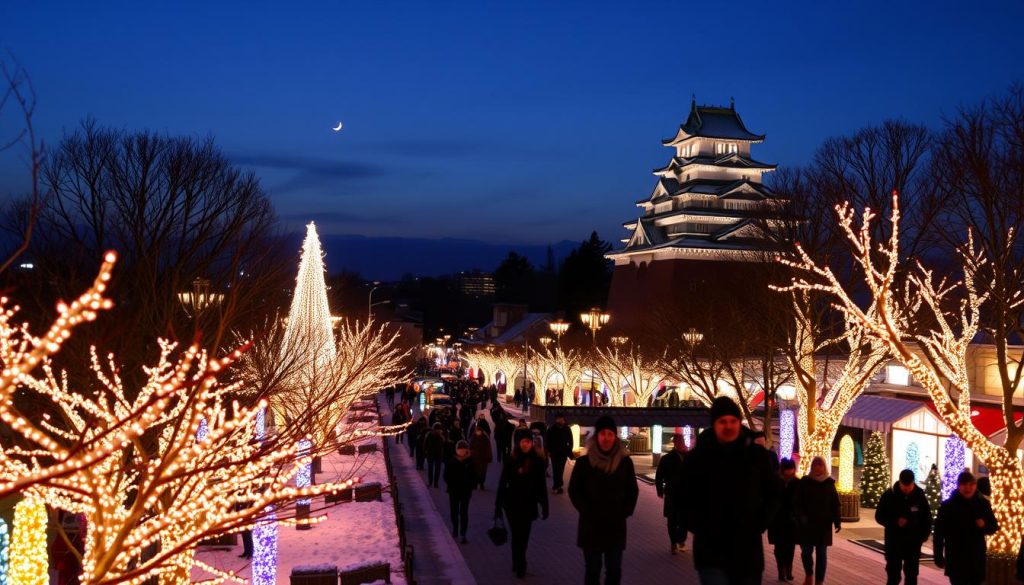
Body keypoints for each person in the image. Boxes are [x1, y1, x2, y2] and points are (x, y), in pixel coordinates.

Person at [682, 396, 780, 585]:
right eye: (722, 422)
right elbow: (682, 495)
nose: (728, 426)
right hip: (711, 551)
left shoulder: (755, 455)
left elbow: (774, 493)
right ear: (714, 424)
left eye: (733, 421)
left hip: (747, 551)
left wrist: (760, 523)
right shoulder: (698, 457)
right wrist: (698, 525)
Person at [568, 415, 639, 585]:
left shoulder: (624, 462)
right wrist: (586, 509)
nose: (606, 438)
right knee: (593, 570)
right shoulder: (584, 463)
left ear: (615, 437)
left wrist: (625, 511)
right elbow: (574, 490)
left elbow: (632, 490)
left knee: (614, 571)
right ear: (596, 436)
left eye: (610, 434)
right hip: (591, 526)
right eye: (602, 434)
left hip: (615, 526)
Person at [495, 433, 549, 579]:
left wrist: (545, 505)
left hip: (529, 505)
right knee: (516, 534)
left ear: (532, 443)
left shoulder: (538, 461)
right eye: (523, 442)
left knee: (523, 536)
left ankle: (519, 559)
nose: (526, 445)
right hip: (512, 505)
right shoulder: (511, 460)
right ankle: (520, 562)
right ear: (518, 443)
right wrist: (498, 507)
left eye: (528, 442)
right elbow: (502, 483)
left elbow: (541, 486)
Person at [933, 471, 998, 585]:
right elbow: (939, 532)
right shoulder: (948, 506)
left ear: (975, 485)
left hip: (976, 557)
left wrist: (984, 525)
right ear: (959, 485)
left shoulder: (983, 504)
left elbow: (993, 527)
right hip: (956, 557)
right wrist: (938, 555)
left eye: (971, 484)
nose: (968, 488)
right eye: (964, 484)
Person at [875, 469, 932, 585]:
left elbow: (927, 518)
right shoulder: (889, 495)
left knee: (911, 575)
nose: (906, 489)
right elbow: (879, 516)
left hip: (913, 543)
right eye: (904, 485)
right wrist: (894, 522)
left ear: (913, 483)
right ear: (899, 482)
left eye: (909, 486)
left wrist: (923, 536)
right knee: (893, 575)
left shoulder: (919, 496)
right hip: (894, 541)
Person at [793, 456, 840, 585]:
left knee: (821, 554)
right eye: (815, 465)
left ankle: (819, 581)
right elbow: (797, 502)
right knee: (806, 552)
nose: (818, 467)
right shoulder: (805, 482)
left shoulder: (829, 483)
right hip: (807, 524)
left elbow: (835, 504)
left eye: (821, 465)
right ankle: (809, 574)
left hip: (823, 525)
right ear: (812, 466)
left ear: (824, 467)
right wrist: (801, 516)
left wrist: (837, 521)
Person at [655, 432, 689, 554]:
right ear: (674, 443)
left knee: (684, 519)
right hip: (672, 493)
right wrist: (659, 489)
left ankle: (681, 540)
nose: (681, 444)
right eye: (678, 442)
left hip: (686, 494)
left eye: (682, 441)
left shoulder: (689, 458)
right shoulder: (667, 459)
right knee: (672, 520)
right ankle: (674, 543)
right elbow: (659, 475)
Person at [768, 458, 799, 582]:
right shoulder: (776, 481)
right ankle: (781, 570)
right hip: (777, 520)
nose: (789, 471)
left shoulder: (797, 482)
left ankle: (789, 570)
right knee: (779, 547)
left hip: (791, 520)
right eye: (787, 469)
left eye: (791, 469)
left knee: (790, 547)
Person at [444, 439, 476, 543]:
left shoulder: (470, 461)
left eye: (463, 449)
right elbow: (446, 475)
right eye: (459, 449)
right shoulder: (452, 460)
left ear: (466, 450)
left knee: (464, 512)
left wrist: (471, 485)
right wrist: (450, 483)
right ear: (456, 450)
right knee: (454, 511)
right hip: (453, 490)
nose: (461, 451)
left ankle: (463, 533)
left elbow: (474, 475)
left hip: (466, 491)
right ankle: (455, 528)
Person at [547, 413, 574, 494]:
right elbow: (548, 441)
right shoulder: (551, 429)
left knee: (561, 469)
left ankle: (559, 485)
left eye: (561, 418)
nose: (560, 420)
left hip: (563, 453)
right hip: (554, 453)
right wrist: (548, 451)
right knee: (556, 469)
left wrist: (569, 450)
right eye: (558, 419)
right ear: (556, 419)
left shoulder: (567, 428)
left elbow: (570, 440)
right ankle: (557, 485)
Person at [424, 423, 446, 488]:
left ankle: (435, 483)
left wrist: (441, 436)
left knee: (437, 469)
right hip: (431, 454)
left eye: (439, 429)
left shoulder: (441, 436)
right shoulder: (430, 435)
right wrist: (425, 452)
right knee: (431, 468)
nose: (438, 431)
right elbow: (425, 443)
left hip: (438, 454)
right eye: (437, 429)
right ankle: (431, 482)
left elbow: (444, 442)